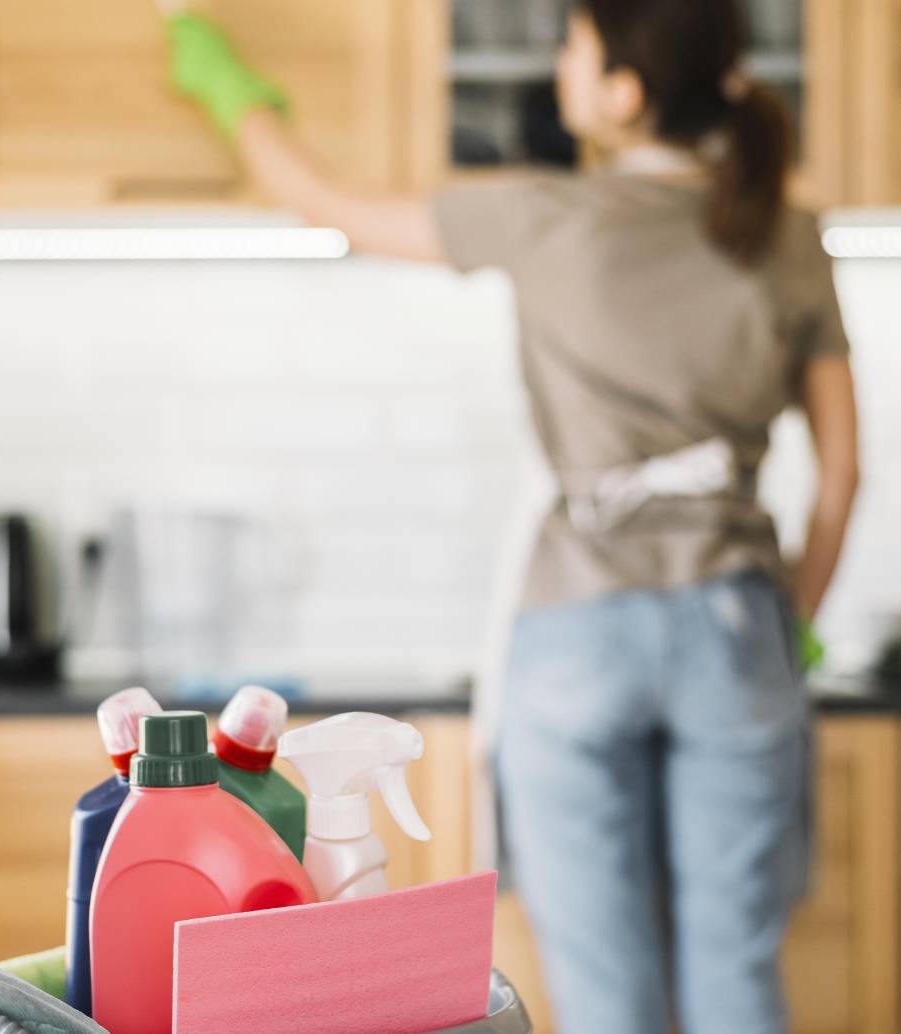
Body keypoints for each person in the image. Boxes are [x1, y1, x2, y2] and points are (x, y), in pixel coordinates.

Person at [167, 3, 859, 1032]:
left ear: (623, 92)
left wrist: (232, 91)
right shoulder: (785, 231)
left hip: (575, 628)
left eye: (575, 46)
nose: (558, 63)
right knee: (733, 975)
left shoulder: (543, 213)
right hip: (734, 629)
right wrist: (788, 623)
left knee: (601, 991)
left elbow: (328, 203)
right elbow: (842, 471)